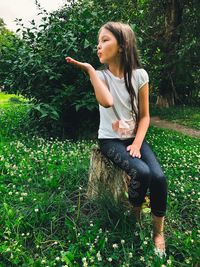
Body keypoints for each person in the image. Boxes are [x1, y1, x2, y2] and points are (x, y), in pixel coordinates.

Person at [65, 21, 167, 257]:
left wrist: (137, 143)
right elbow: (107, 102)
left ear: (122, 45)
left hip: (133, 137)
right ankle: (134, 215)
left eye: (105, 40)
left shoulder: (140, 75)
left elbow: (145, 117)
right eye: (98, 42)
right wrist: (90, 70)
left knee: (159, 178)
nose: (98, 46)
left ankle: (158, 233)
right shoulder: (101, 76)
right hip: (110, 140)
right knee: (142, 173)